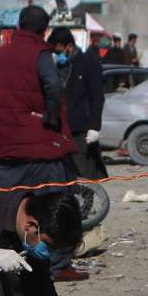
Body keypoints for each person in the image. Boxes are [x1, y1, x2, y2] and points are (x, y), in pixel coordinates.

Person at [0, 4, 87, 283]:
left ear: (19, 25)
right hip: (37, 145)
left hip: (2, 145)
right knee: (57, 202)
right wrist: (51, 115)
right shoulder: (40, 53)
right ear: (44, 30)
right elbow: (53, 86)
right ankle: (57, 265)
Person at [48, 27, 106, 181]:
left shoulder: (89, 63)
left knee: (85, 174)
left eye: (59, 52)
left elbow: (97, 97)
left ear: (69, 47)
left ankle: (86, 205)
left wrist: (94, 127)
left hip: (81, 131)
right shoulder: (55, 68)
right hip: (60, 129)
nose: (57, 55)